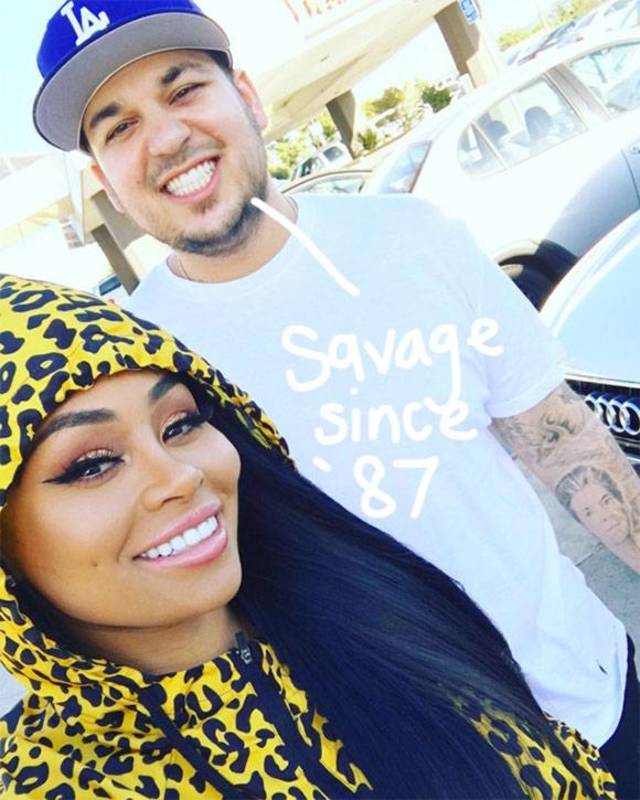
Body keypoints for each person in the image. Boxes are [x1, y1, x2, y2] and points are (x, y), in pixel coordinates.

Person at [32, 1, 640, 795]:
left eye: (183, 90)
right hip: (417, 766)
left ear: (247, 96)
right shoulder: (137, 364)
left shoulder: (415, 237)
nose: (166, 137)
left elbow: (561, 441)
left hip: (593, 689)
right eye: (119, 128)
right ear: (104, 182)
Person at [0, 273, 619, 799]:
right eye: (92, 464)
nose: (180, 477)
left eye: (180, 424)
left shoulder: (371, 602)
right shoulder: (54, 783)